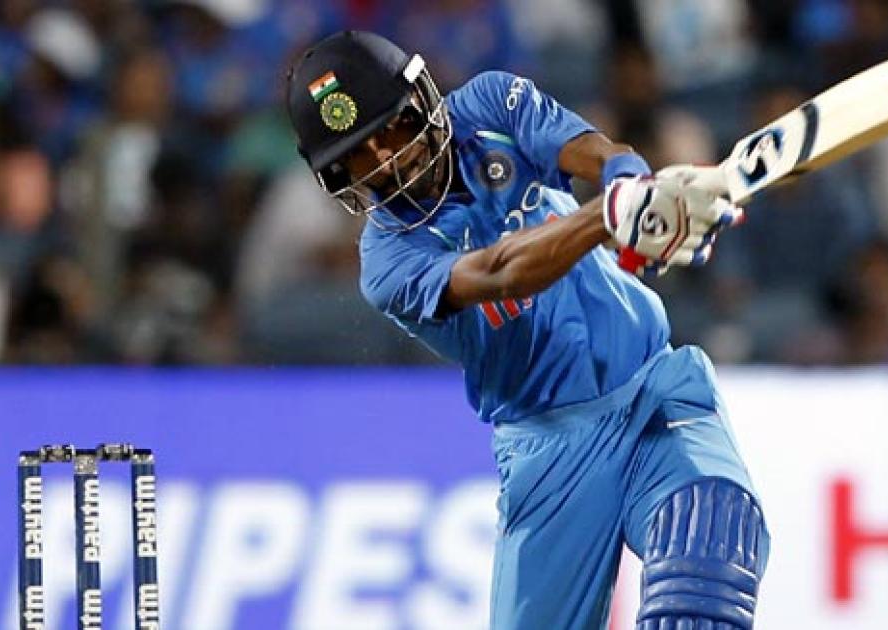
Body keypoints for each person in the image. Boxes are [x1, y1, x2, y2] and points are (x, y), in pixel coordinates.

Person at [285, 31, 768, 629]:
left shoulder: (489, 106)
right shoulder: (388, 264)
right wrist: (609, 216)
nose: (386, 157)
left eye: (393, 127)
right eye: (360, 155)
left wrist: (635, 187)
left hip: (653, 390)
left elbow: (600, 153)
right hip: (549, 450)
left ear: (422, 98)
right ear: (339, 175)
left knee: (706, 551)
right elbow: (503, 271)